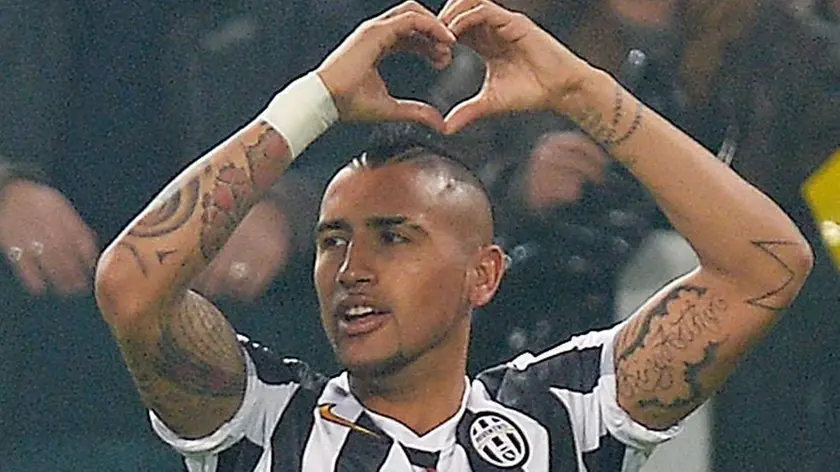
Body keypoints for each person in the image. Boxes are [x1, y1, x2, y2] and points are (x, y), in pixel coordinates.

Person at [94, 1, 814, 470]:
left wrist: (582, 92)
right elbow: (131, 286)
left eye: (394, 237)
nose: (351, 268)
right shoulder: (265, 424)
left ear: (485, 273)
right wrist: (312, 104)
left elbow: (768, 266)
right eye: (331, 239)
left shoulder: (566, 414)